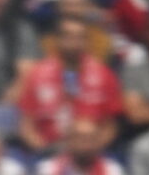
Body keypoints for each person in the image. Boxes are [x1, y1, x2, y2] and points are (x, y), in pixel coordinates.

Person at [17, 14, 121, 153]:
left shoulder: (104, 75)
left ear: (87, 41)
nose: (74, 42)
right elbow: (26, 125)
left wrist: (90, 149)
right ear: (57, 40)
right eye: (69, 36)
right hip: (48, 150)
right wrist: (43, 151)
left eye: (80, 37)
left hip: (90, 153)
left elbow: (110, 127)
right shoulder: (37, 74)